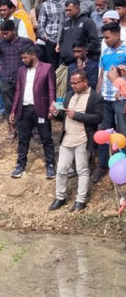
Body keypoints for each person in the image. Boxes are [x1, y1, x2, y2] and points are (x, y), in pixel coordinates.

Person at [49, 69, 103, 212]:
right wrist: (56, 114)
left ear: (85, 82)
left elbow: (98, 118)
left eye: (75, 83)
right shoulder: (69, 95)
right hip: (67, 138)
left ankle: (81, 200)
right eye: (71, 83)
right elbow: (64, 116)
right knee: (61, 169)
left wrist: (77, 115)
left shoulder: (95, 97)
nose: (73, 86)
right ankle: (60, 197)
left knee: (82, 170)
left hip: (83, 139)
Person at [9, 44, 56, 179]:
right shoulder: (21, 71)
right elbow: (18, 91)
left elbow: (52, 90)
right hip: (24, 109)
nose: (23, 60)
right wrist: (13, 111)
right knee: (23, 139)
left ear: (33, 55)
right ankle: (20, 165)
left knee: (46, 138)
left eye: (25, 57)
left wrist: (52, 109)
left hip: (40, 108)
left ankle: (50, 165)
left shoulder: (47, 68)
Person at [0, 20, 34, 139]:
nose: (4, 36)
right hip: (6, 78)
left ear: (14, 31)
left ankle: (32, 129)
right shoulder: (0, 43)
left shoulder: (26, 42)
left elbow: (35, 57)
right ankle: (12, 129)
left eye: (6, 33)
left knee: (28, 104)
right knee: (9, 105)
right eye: (2, 33)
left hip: (24, 79)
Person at [93, 23, 126, 183]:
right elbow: (101, 75)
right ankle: (103, 165)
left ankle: (123, 166)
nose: (105, 41)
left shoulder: (125, 51)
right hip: (105, 100)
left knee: (123, 132)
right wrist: (98, 95)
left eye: (107, 37)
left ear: (117, 35)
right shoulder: (105, 52)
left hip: (121, 99)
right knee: (104, 133)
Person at [56, 0, 101, 99]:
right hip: (65, 64)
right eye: (66, 10)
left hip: (81, 65)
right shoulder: (65, 24)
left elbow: (94, 42)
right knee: (59, 90)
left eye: (70, 10)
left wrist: (82, 53)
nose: (67, 13)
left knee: (78, 92)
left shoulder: (87, 22)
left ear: (77, 8)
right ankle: (59, 113)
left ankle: (78, 112)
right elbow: (62, 41)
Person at [38, 0, 66, 69]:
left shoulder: (68, 2)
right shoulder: (45, 4)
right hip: (50, 40)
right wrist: (46, 38)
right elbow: (40, 24)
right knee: (52, 67)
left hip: (64, 39)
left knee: (64, 66)